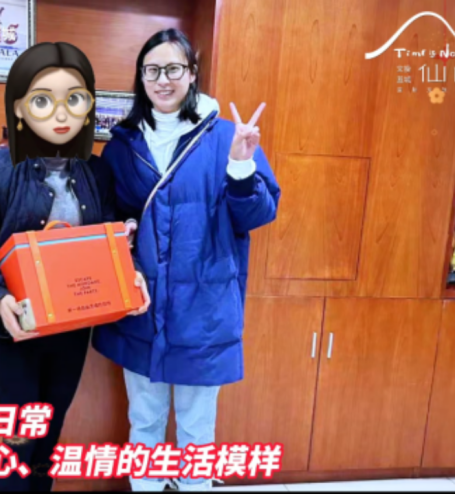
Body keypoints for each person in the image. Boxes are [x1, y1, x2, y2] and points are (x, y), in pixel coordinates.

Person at [93, 28, 280, 491]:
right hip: (140, 305)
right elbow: (109, 214)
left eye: (174, 68)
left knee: (197, 431)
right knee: (145, 421)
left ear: (192, 74)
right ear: (141, 78)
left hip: (204, 311)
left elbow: (257, 214)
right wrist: (124, 227)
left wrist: (241, 166)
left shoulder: (226, 137)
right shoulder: (122, 146)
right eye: (152, 70)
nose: (163, 80)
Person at [0, 41, 149, 492]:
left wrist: (131, 271)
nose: (61, 113)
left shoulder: (96, 171)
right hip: (14, 329)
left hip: (71, 327)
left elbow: (109, 241)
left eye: (74, 99)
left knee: (49, 437)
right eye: (44, 100)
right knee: (20, 441)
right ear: (20, 107)